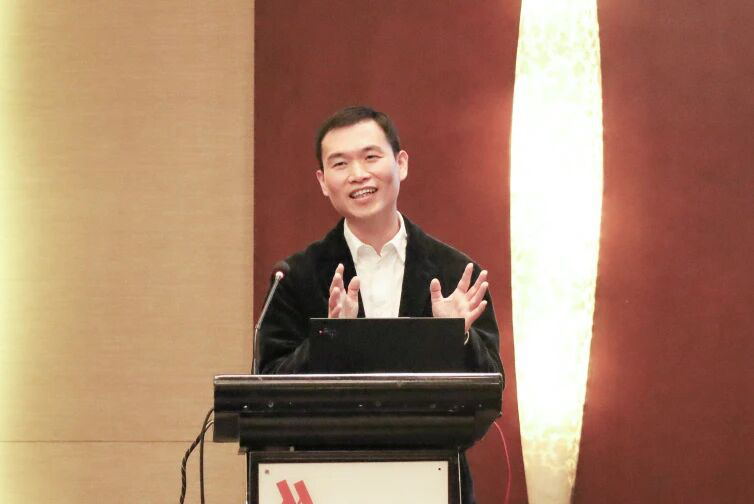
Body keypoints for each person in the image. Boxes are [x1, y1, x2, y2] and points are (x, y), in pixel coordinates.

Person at [259, 105, 503, 503]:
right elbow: (268, 396)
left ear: (400, 164)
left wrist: (455, 338)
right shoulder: (294, 278)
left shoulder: (456, 273)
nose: (358, 174)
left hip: (432, 480)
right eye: (340, 163)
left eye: (370, 157)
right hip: (327, 483)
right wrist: (328, 339)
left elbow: (490, 396)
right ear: (323, 182)